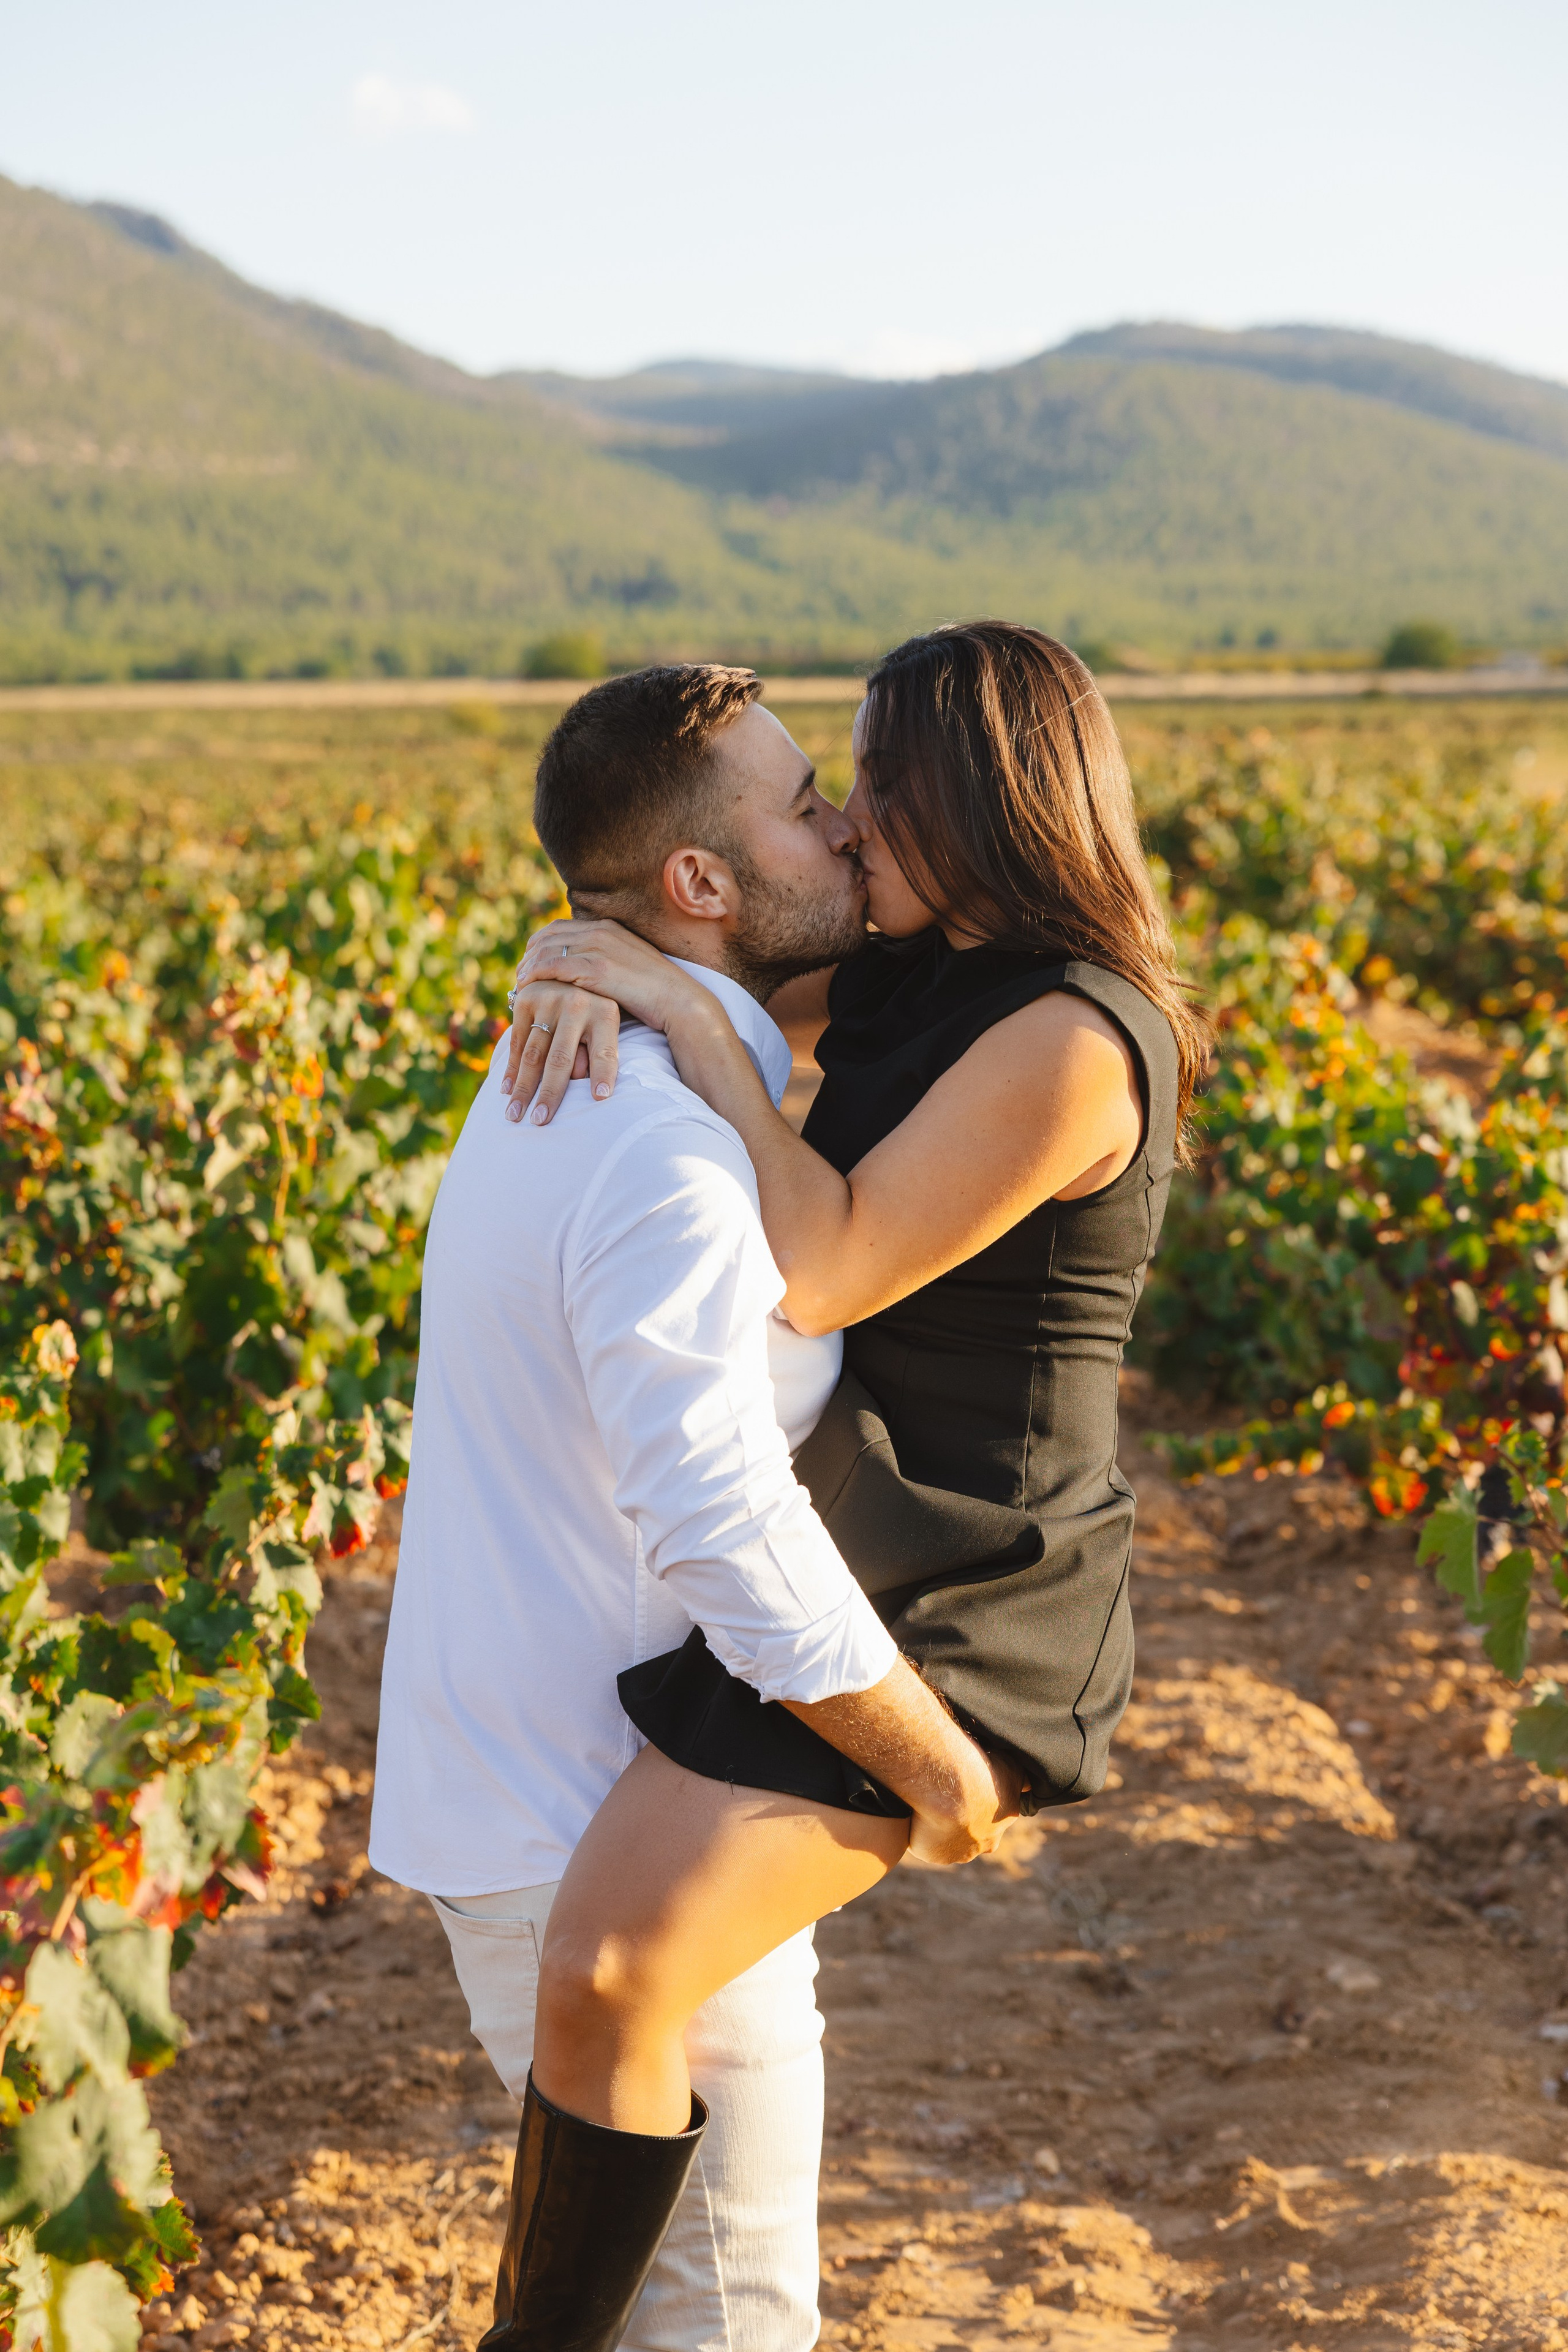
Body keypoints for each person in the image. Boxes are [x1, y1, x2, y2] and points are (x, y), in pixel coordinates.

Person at [502, 622, 1210, 2346]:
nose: (849, 825)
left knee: (607, 1971)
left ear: (980, 801)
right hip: (862, 1523)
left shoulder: (1072, 1039)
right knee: (613, 1981)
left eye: (877, 787)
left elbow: (825, 1263)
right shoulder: (924, 965)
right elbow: (707, 935)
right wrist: (586, 952)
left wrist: (684, 1016)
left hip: (976, 1582)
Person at [367, 663, 1012, 2352]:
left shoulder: (575, 1073)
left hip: (572, 1803)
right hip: (604, 1826)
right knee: (728, 2328)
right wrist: (938, 1767)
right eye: (808, 805)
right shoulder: (656, 1141)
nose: (850, 824)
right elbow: (720, 1519)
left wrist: (602, 960)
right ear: (702, 886)